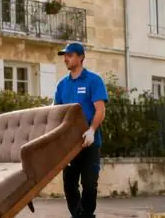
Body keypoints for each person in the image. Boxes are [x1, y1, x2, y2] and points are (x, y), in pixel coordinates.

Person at [54, 42, 108, 218]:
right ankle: (78, 216)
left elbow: (100, 110)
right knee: (69, 183)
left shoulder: (94, 81)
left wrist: (92, 130)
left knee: (89, 183)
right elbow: (57, 113)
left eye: (69, 55)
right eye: (65, 56)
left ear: (81, 57)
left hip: (89, 141)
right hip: (70, 144)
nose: (66, 59)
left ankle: (87, 214)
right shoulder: (62, 85)